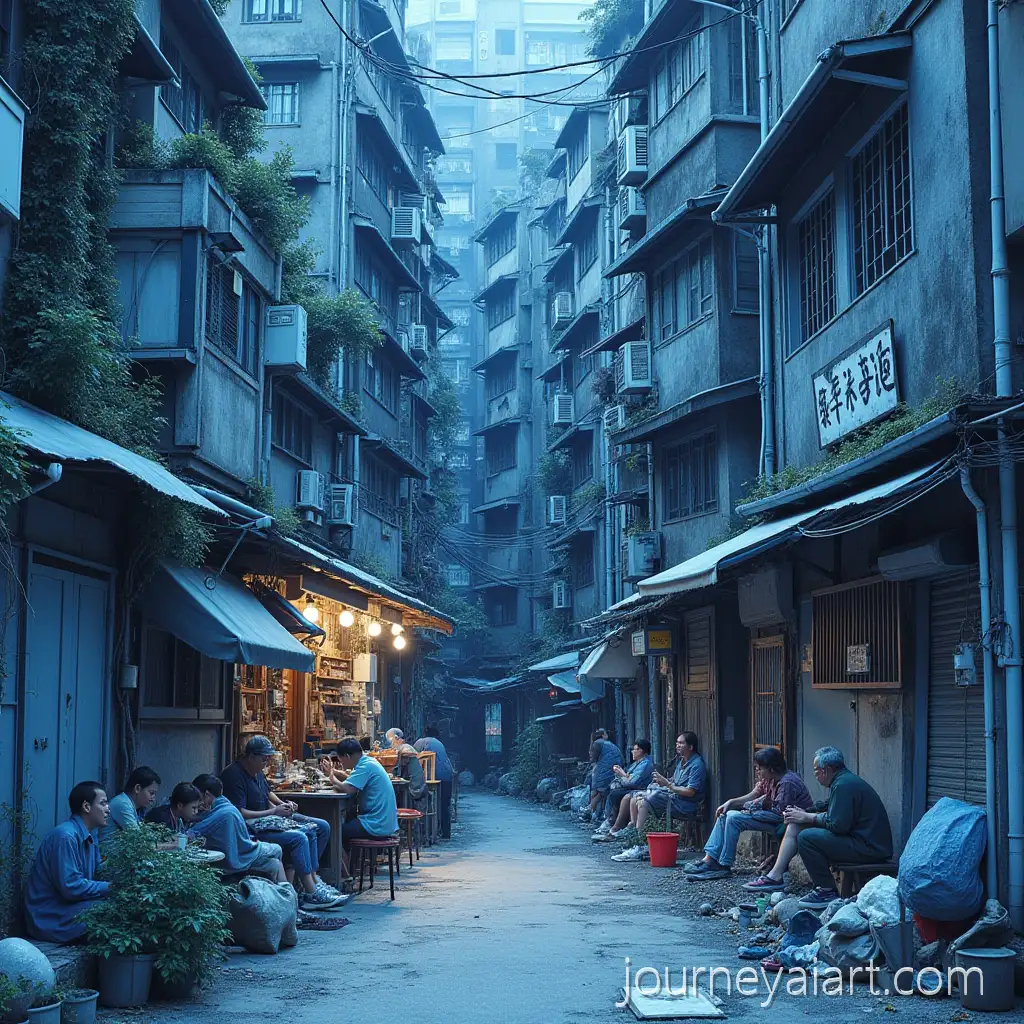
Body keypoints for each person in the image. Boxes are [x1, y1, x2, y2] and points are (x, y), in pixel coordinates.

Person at [221, 736, 343, 908]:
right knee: (300, 836)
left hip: (269, 817)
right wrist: (274, 811)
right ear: (251, 756)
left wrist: (283, 805)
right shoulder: (233, 775)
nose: (266, 762)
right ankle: (311, 890)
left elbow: (266, 793)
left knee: (321, 826)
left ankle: (313, 878)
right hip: (252, 827)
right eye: (264, 758)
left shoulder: (257, 771)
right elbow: (240, 813)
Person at [776, 746, 894, 909]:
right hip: (866, 843)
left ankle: (826, 890)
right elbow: (829, 806)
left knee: (807, 838)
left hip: (869, 848)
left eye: (816, 770)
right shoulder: (844, 781)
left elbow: (838, 825)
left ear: (826, 770)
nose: (815, 775)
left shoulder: (843, 785)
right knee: (806, 830)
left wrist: (808, 817)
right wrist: (806, 812)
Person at [683, 746, 813, 882]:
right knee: (725, 814)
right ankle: (710, 859)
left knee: (734, 818)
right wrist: (731, 802)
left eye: (759, 768)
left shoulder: (787, 782)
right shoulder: (770, 778)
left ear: (771, 769)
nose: (757, 771)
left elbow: (779, 814)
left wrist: (751, 812)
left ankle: (724, 864)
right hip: (772, 817)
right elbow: (754, 794)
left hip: (785, 824)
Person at [24, 782, 112, 943]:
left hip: (69, 907)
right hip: (49, 917)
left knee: (125, 903)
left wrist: (127, 874)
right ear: (86, 807)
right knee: (113, 910)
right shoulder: (65, 836)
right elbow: (71, 887)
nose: (108, 809)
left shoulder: (90, 835)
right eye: (103, 803)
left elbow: (100, 871)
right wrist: (112, 887)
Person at [611, 732, 707, 863]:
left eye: (681, 743)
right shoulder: (681, 762)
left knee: (644, 801)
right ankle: (637, 839)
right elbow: (675, 781)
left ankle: (639, 845)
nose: (677, 745)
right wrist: (661, 782)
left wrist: (668, 785)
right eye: (677, 743)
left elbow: (690, 792)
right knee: (637, 797)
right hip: (674, 798)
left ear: (690, 747)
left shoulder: (697, 765)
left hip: (685, 804)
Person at [189, 774, 290, 887]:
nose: (197, 803)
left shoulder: (222, 812)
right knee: (276, 852)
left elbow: (192, 833)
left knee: (276, 853)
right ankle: (287, 892)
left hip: (241, 856)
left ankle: (286, 891)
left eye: (198, 798)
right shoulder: (225, 807)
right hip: (239, 855)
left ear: (207, 795)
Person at [324, 737, 399, 877]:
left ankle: (343, 874)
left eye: (341, 760)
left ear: (347, 756)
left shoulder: (365, 766)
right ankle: (348, 869)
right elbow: (350, 778)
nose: (341, 764)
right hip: (383, 821)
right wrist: (334, 772)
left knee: (334, 832)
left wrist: (332, 778)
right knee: (345, 827)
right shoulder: (368, 762)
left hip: (376, 823)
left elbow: (348, 788)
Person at [592, 739, 653, 841]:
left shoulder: (645, 764)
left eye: (636, 749)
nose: (633, 752)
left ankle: (614, 825)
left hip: (640, 789)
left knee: (621, 796)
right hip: (632, 788)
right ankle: (611, 821)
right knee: (612, 792)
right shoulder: (637, 763)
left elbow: (633, 782)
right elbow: (629, 777)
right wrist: (622, 773)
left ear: (642, 751)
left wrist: (621, 774)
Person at [99, 765, 161, 848]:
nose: (153, 798)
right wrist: (167, 846)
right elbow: (138, 839)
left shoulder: (133, 806)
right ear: (137, 788)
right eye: (151, 793)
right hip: (108, 855)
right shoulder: (122, 804)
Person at [414, 725, 454, 839]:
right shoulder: (440, 744)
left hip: (433, 777)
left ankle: (428, 831)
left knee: (428, 803)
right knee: (445, 805)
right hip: (447, 776)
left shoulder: (421, 742)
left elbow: (413, 757)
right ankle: (445, 833)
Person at [384, 727, 427, 805]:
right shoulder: (401, 748)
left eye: (390, 740)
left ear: (396, 738)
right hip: (410, 785)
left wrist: (397, 752)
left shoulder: (405, 747)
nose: (389, 744)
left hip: (415, 787)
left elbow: (407, 752)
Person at [587, 732, 625, 819]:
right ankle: (597, 813)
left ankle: (589, 811)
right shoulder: (610, 744)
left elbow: (593, 757)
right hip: (613, 769)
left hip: (604, 770)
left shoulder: (597, 743)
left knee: (598, 793)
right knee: (603, 792)